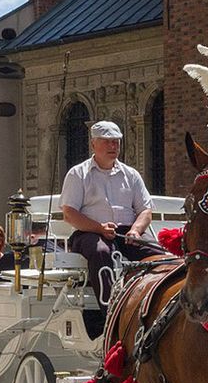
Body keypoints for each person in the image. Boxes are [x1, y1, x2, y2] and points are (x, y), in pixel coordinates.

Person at [59, 120, 163, 325]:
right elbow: (69, 214)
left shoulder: (131, 175)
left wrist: (136, 230)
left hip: (126, 233)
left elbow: (145, 210)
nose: (113, 146)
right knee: (101, 253)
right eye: (107, 142)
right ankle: (110, 312)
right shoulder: (78, 174)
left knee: (159, 254)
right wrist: (99, 228)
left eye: (116, 142)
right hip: (89, 232)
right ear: (93, 144)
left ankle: (158, 303)